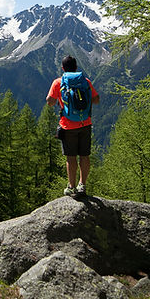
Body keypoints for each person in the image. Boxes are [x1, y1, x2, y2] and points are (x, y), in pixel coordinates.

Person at [46, 55, 99, 197]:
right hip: (85, 123)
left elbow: (49, 102)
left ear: (63, 68)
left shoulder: (58, 82)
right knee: (84, 155)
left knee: (71, 157)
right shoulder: (85, 81)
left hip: (68, 126)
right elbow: (96, 99)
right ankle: (83, 185)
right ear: (76, 67)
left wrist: (60, 98)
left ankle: (71, 187)